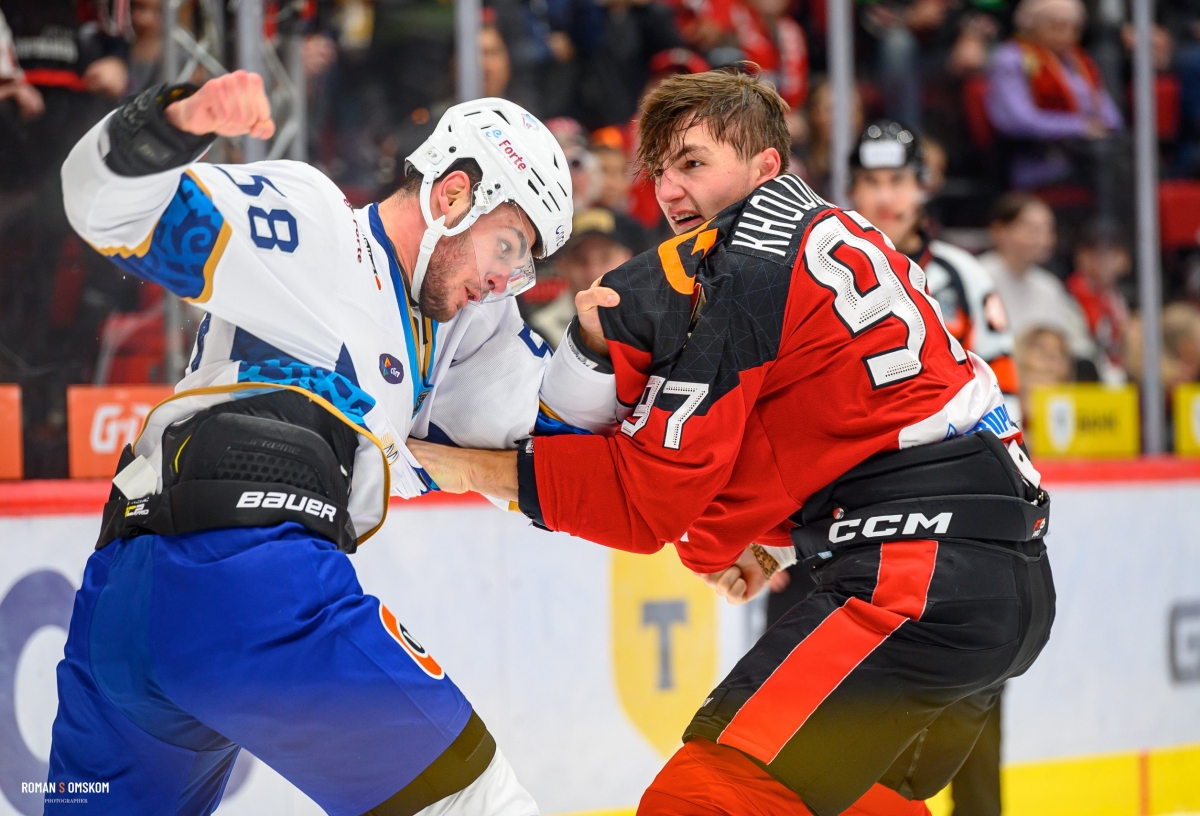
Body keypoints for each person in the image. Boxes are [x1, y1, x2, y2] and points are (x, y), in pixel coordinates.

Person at [409, 69, 1055, 816]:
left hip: (916, 585)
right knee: (858, 802)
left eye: (692, 163)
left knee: (706, 799)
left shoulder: (739, 271)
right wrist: (772, 543)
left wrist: (451, 465)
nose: (670, 193)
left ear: (763, 168)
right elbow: (845, 429)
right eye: (659, 172)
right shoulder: (834, 230)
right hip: (1001, 577)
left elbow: (643, 500)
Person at [50, 73, 619, 815]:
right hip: (246, 583)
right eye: (507, 246)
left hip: (125, 604)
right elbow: (105, 206)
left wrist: (604, 352)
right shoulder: (315, 222)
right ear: (452, 196)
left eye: (526, 265)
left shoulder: (451, 335)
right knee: (478, 805)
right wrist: (179, 121)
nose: (506, 280)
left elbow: (557, 445)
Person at [977, 192, 1104, 378]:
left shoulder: (1050, 287)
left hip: (1046, 392)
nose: (1042, 239)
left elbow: (1079, 346)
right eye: (1032, 230)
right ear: (999, 231)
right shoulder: (976, 276)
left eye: (1048, 231)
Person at [530, 207, 645, 347]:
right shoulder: (540, 330)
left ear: (627, 260)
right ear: (563, 266)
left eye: (605, 258)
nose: (593, 271)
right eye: (581, 260)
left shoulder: (651, 318)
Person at [1066, 221, 1131, 372]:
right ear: (1082, 257)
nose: (1111, 262)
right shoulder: (1070, 294)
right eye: (1102, 254)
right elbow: (1081, 350)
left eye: (1116, 253)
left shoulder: (1115, 297)